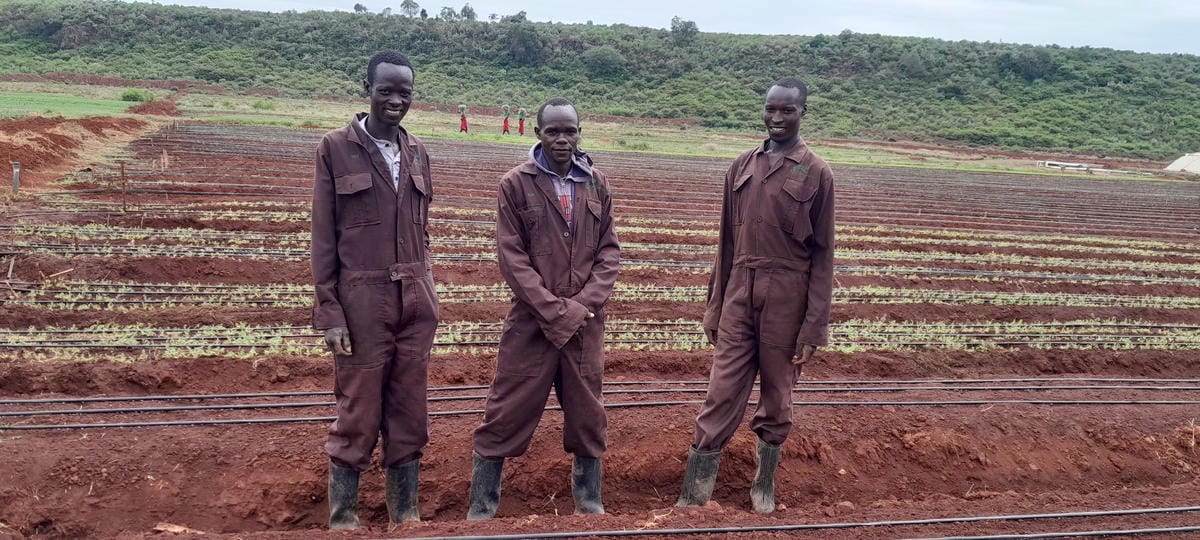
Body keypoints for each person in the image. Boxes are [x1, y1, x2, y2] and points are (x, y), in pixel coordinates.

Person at [675, 78, 835, 514]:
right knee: (721, 391)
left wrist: (814, 327)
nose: (777, 118)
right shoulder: (742, 165)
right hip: (738, 294)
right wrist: (714, 306)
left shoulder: (817, 172)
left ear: (803, 113)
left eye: (787, 110)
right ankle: (695, 494)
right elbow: (725, 243)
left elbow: (823, 255)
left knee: (778, 396)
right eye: (771, 109)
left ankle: (763, 488)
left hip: (787, 297)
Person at [466, 97, 620, 520]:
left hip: (585, 325)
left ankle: (589, 505)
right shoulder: (515, 184)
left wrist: (581, 306)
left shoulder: (597, 184)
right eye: (553, 131)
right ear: (538, 134)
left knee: (588, 416)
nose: (562, 139)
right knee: (505, 411)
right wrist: (554, 311)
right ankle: (482, 509)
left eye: (569, 131)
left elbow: (609, 253)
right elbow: (512, 259)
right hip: (531, 322)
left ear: (579, 134)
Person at [310, 49, 439, 529]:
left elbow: (422, 230)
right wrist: (330, 311)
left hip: (415, 300)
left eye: (405, 92)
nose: (395, 100)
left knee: (409, 410)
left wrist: (427, 288)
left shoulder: (418, 151)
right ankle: (344, 518)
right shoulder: (335, 147)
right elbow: (323, 237)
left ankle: (406, 516)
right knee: (358, 409)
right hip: (362, 300)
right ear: (367, 89)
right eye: (386, 90)